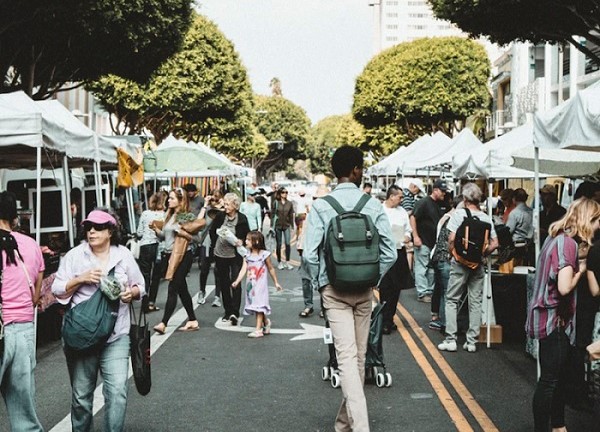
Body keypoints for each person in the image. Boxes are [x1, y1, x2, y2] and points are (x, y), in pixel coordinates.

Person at [304, 145, 396, 432]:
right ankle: (352, 424)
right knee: (357, 356)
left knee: (347, 357)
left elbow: (308, 254)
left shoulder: (321, 206)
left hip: (334, 290)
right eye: (361, 167)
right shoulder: (372, 204)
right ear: (355, 170)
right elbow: (390, 252)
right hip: (365, 291)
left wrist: (322, 281)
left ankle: (351, 424)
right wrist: (372, 276)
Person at [52, 209, 144, 432]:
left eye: (98, 227)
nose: (92, 231)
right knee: (82, 397)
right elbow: (56, 289)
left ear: (111, 231)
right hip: (83, 336)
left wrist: (130, 293)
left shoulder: (123, 255)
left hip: (116, 335)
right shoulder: (75, 255)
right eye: (88, 227)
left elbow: (141, 286)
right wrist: (79, 279)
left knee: (117, 392)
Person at [525, 198, 600, 432]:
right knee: (550, 381)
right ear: (588, 219)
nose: (599, 225)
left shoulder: (554, 238)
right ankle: (546, 428)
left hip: (551, 318)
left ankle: (558, 426)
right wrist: (583, 269)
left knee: (555, 380)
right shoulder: (568, 244)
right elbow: (565, 287)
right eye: (597, 219)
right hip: (554, 320)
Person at [0, 191, 44, 432]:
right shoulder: (31, 244)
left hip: (2, 326)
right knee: (24, 418)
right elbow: (35, 297)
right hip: (25, 331)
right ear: (15, 217)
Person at [438, 183, 498, 353]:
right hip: (477, 264)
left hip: (459, 263)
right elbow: (495, 243)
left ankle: (451, 339)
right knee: (475, 301)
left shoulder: (458, 215)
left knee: (452, 300)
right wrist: (482, 253)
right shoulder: (486, 218)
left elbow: (450, 239)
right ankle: (471, 341)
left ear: (464, 199)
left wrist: (455, 255)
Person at [151, 188, 199, 334]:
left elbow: (197, 239)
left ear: (180, 200)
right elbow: (165, 238)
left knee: (173, 287)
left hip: (184, 255)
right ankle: (192, 320)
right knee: (181, 289)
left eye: (172, 198)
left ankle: (164, 323)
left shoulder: (185, 217)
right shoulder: (169, 215)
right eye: (169, 198)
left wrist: (182, 232)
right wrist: (156, 230)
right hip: (169, 256)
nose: (168, 200)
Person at [232, 231, 283, 338]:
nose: (246, 241)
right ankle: (266, 322)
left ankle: (258, 330)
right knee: (257, 306)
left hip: (261, 285)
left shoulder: (264, 255)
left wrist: (276, 282)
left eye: (248, 239)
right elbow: (243, 269)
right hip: (251, 285)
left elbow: (271, 268)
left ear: (256, 241)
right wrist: (237, 281)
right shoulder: (247, 255)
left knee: (259, 305)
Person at [209, 193, 250, 325]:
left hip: (235, 255)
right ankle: (227, 310)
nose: (225, 207)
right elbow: (212, 230)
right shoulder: (221, 216)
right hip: (220, 254)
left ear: (235, 206)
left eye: (227, 204)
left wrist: (241, 241)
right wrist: (216, 242)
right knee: (224, 282)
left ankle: (235, 312)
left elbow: (246, 235)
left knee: (235, 282)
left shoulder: (242, 218)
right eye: (225, 204)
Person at [379, 185, 412, 334]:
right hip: (384, 253)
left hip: (398, 252)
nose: (402, 199)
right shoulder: (380, 211)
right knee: (385, 287)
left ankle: (389, 317)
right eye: (400, 197)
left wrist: (407, 236)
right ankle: (384, 318)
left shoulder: (402, 212)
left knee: (396, 288)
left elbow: (408, 230)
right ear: (391, 196)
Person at [410, 178, 447, 302]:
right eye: (442, 191)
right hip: (423, 240)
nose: (444, 193)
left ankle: (429, 291)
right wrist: (415, 236)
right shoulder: (424, 202)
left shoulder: (441, 204)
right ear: (435, 190)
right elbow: (413, 217)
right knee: (422, 267)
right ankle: (422, 292)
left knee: (431, 268)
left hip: (434, 243)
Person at [429, 195, 462, 331]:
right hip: (445, 258)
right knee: (448, 292)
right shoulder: (454, 219)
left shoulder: (446, 216)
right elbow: (450, 241)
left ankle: (439, 318)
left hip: (438, 257)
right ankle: (445, 323)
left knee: (442, 289)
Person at [136, 191, 166, 312]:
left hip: (145, 246)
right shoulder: (164, 215)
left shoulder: (145, 214)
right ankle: (151, 302)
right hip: (159, 247)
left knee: (145, 275)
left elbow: (139, 233)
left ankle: (144, 301)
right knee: (156, 276)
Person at [506, 188, 534, 265]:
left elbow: (509, 231)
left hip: (517, 246)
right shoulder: (532, 212)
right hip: (530, 245)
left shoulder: (514, 213)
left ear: (514, 199)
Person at [272, 187, 295, 270]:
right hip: (278, 225)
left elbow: (291, 215)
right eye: (283, 192)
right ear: (280, 193)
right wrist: (272, 226)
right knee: (278, 244)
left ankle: (287, 262)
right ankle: (279, 262)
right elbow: (273, 215)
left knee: (288, 244)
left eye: (286, 192)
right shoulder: (276, 203)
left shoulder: (289, 203)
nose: (285, 194)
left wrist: (292, 225)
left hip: (286, 225)